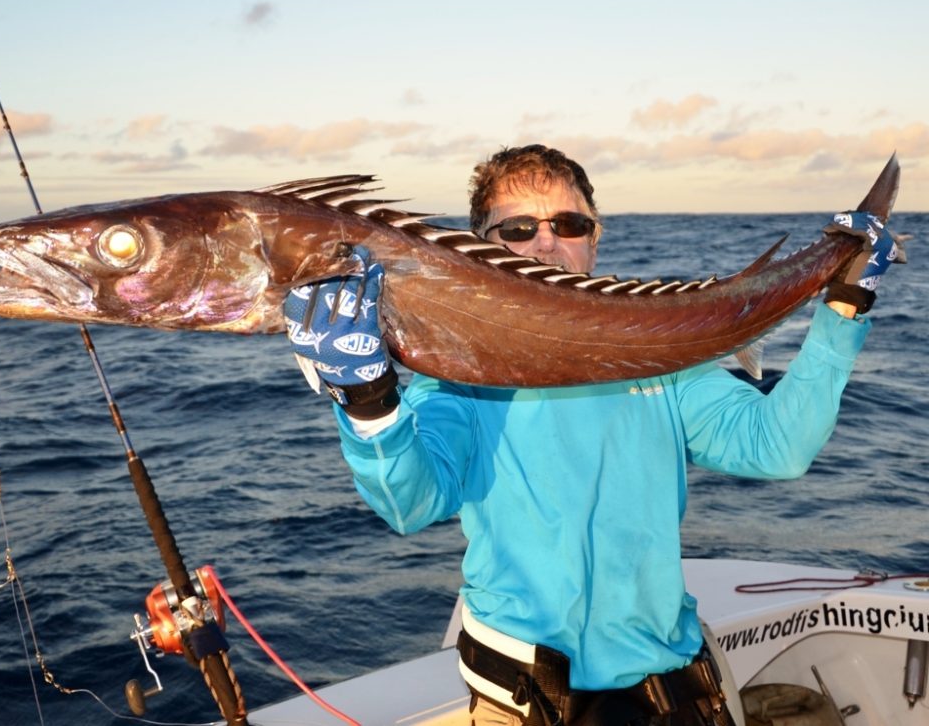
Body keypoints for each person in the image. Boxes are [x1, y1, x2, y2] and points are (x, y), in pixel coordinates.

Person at [284, 145, 899, 726]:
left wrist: (843, 309)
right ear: (478, 250)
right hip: (521, 698)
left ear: (596, 239)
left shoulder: (660, 360)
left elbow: (777, 447)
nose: (547, 243)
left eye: (569, 225)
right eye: (518, 230)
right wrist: (368, 399)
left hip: (675, 684)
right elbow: (409, 502)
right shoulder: (458, 376)